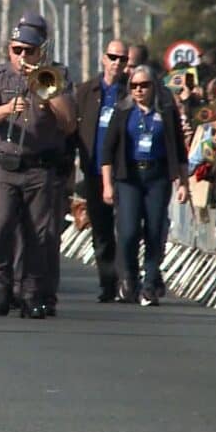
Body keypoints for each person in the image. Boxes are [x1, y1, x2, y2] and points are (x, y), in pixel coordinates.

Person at [0, 12, 76, 319]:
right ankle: (3, 286)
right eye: (16, 50)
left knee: (40, 235)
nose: (22, 56)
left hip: (39, 168)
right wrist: (6, 109)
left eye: (29, 51)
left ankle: (33, 293)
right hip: (6, 166)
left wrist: (46, 91)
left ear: (41, 51)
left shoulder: (55, 76)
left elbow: (70, 122)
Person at [101, 65, 189, 306]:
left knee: (154, 230)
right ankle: (128, 278)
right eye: (134, 86)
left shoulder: (166, 111)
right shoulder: (123, 110)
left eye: (144, 85)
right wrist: (107, 185)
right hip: (129, 177)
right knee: (128, 231)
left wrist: (183, 183)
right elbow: (107, 151)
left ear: (154, 86)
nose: (139, 90)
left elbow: (180, 150)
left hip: (157, 176)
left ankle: (150, 284)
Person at [75, 39, 129, 302]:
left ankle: (127, 282)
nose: (117, 62)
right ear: (103, 59)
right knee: (102, 231)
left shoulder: (132, 92)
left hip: (125, 174)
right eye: (113, 57)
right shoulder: (86, 91)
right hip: (94, 173)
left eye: (123, 59)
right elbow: (72, 131)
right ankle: (107, 284)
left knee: (127, 229)